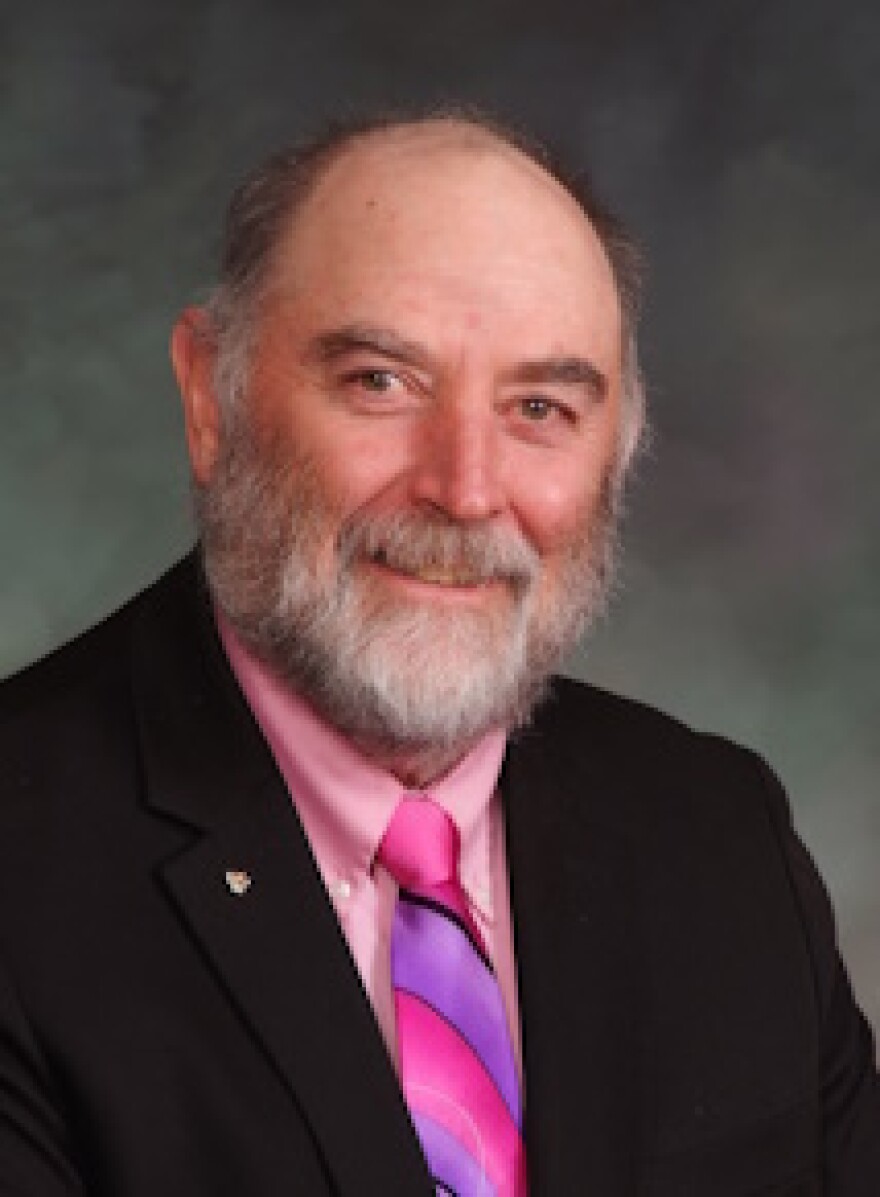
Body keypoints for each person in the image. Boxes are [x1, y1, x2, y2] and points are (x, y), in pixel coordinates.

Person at [0, 111, 877, 1196]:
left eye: (539, 407)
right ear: (209, 398)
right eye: (382, 381)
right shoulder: (21, 870)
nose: (465, 489)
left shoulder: (721, 838)